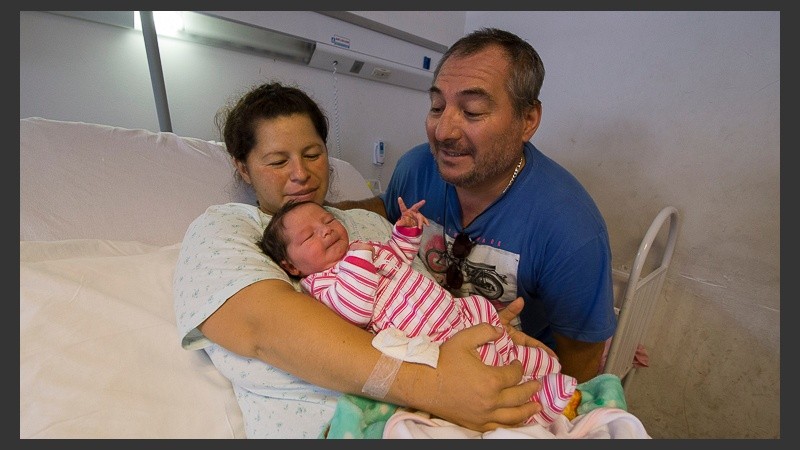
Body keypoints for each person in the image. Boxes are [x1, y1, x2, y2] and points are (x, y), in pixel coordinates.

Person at [172, 81, 547, 439]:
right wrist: (437, 388)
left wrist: (487, 336)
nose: (300, 174)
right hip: (339, 424)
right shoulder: (226, 228)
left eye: (313, 154)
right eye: (276, 161)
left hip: (456, 406)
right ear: (242, 167)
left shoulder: (366, 223)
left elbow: (421, 308)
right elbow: (262, 326)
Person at [332, 28, 617, 383]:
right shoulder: (417, 168)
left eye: (472, 110)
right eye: (437, 107)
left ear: (527, 121)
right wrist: (318, 213)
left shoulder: (571, 230)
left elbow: (581, 365)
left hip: (516, 371)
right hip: (425, 352)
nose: (443, 131)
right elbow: (386, 211)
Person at [259, 198, 578, 426]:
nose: (326, 231)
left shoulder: (365, 246)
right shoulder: (323, 285)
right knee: (488, 368)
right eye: (308, 236)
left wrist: (405, 232)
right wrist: (358, 257)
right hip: (436, 340)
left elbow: (399, 257)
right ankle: (538, 408)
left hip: (454, 312)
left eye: (328, 221)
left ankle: (543, 371)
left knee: (508, 344)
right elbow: (355, 308)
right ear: (291, 265)